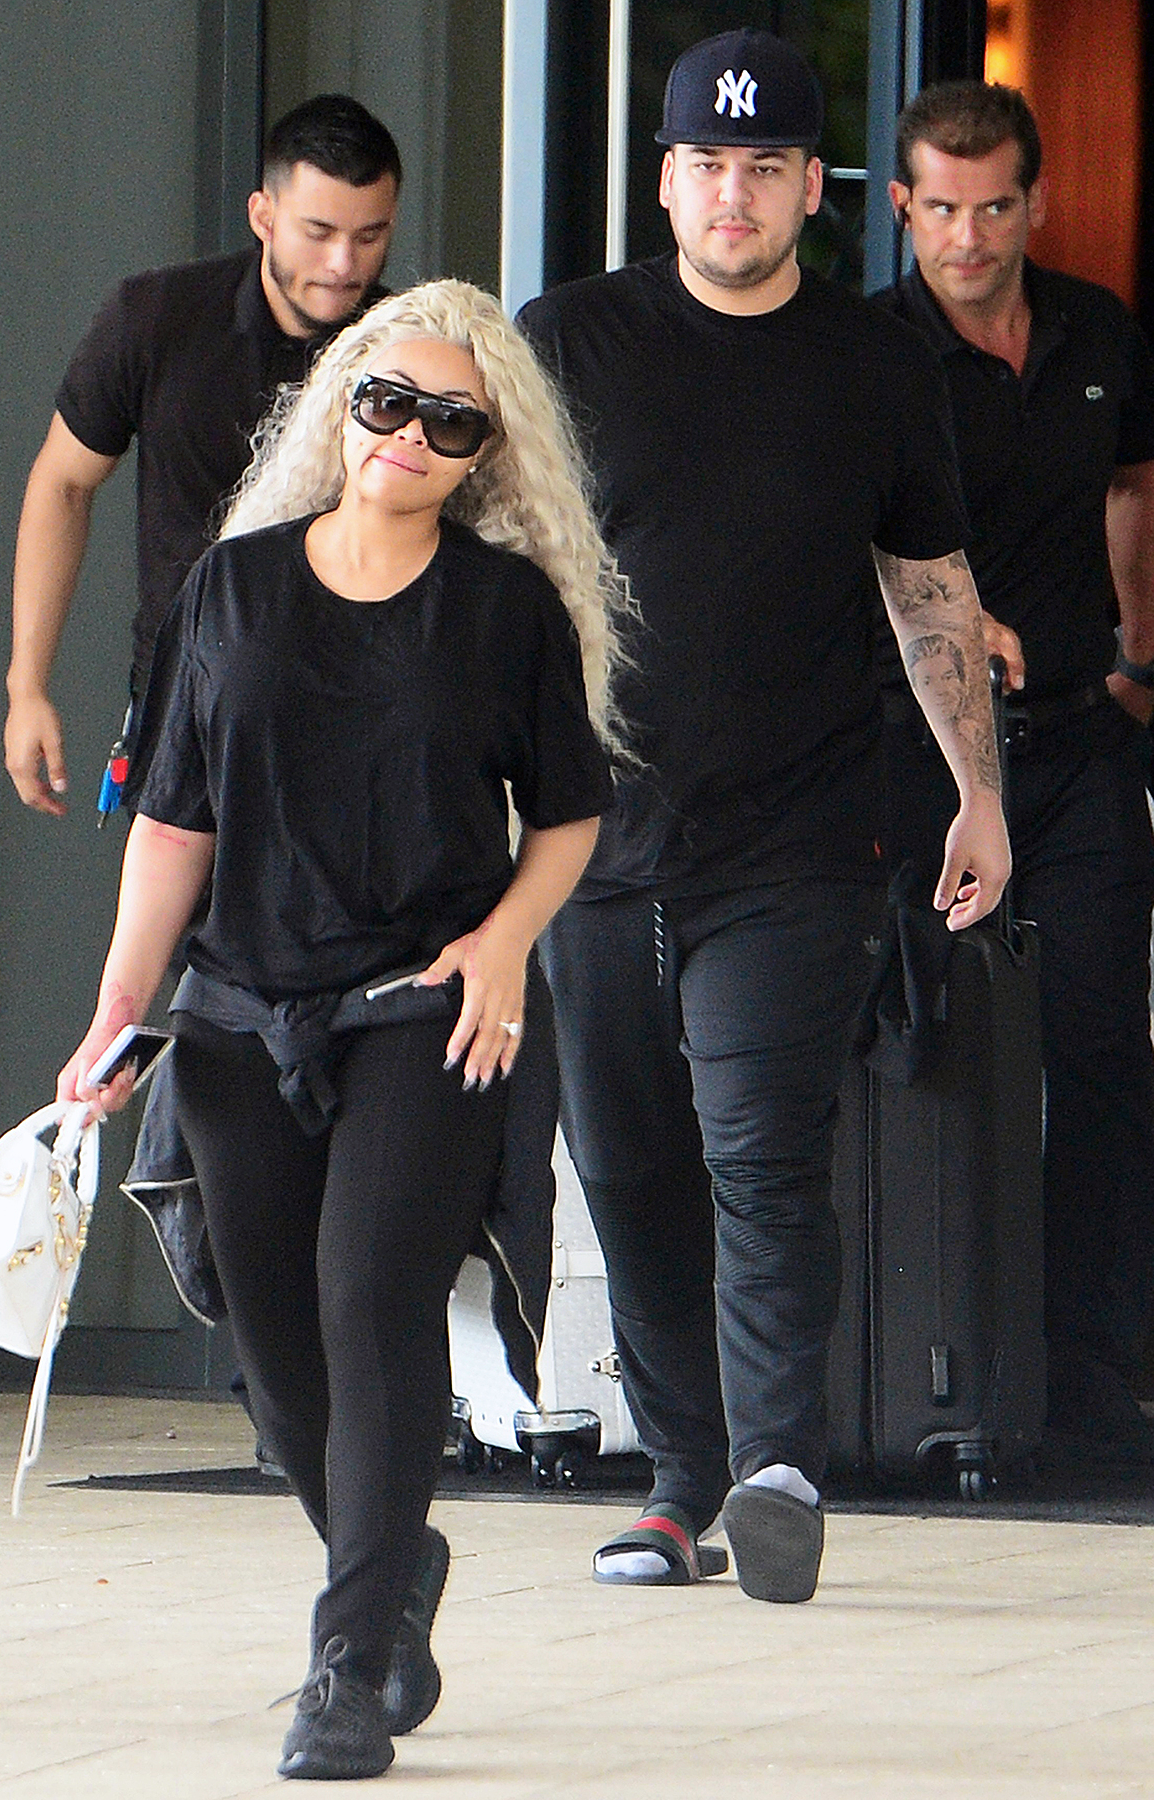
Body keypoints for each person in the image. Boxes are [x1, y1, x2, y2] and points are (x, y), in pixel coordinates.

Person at [56, 279, 623, 1781]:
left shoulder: (502, 610)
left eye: (451, 421)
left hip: (419, 1013)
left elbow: (570, 814)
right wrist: (118, 1009)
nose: (409, 435)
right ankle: (390, 1567)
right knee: (278, 1348)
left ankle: (349, 1660)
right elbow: (172, 822)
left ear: (485, 451)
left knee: (372, 1302)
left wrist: (503, 941)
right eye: (387, 401)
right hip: (237, 1012)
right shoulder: (230, 589)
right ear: (342, 402)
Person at [517, 28, 1010, 1604]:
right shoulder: (567, 342)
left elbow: (929, 589)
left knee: (764, 1158)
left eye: (766, 166)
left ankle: (775, 1467)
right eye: (707, 164)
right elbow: (497, 576)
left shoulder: (876, 364)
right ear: (666, 181)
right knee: (629, 1170)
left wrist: (980, 794)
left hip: (797, 843)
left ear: (813, 189)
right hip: (595, 842)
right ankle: (678, 1488)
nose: (733, 193)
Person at [876, 79, 1154, 1461]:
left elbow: (1130, 486)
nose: (969, 237)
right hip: (929, 762)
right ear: (900, 206)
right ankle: (940, 1369)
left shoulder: (1098, 329)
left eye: (993, 207)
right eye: (942, 208)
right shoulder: (869, 353)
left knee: (1100, 1050)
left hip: (1082, 743)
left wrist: (1137, 652)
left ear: (1033, 202)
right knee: (935, 1053)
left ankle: (1089, 1375)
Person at [4, 93, 401, 816]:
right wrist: (27, 686)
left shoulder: (408, 353)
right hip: (183, 716)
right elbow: (63, 484)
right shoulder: (156, 317)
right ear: (263, 216)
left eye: (369, 236)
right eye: (318, 232)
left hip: (356, 725)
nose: (344, 264)